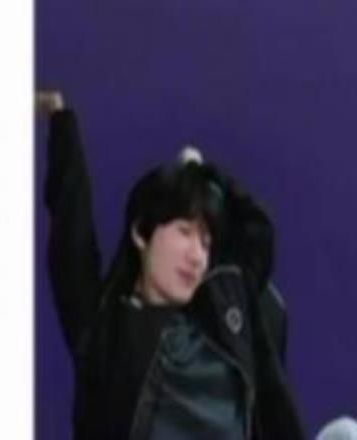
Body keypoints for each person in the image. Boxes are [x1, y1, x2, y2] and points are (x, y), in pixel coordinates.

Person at [36, 91, 305, 439]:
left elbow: (258, 232)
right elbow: (72, 239)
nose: (197, 256)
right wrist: (60, 119)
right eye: (184, 232)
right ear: (141, 232)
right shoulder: (107, 327)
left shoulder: (224, 309)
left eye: (206, 243)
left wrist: (204, 174)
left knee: (348, 434)